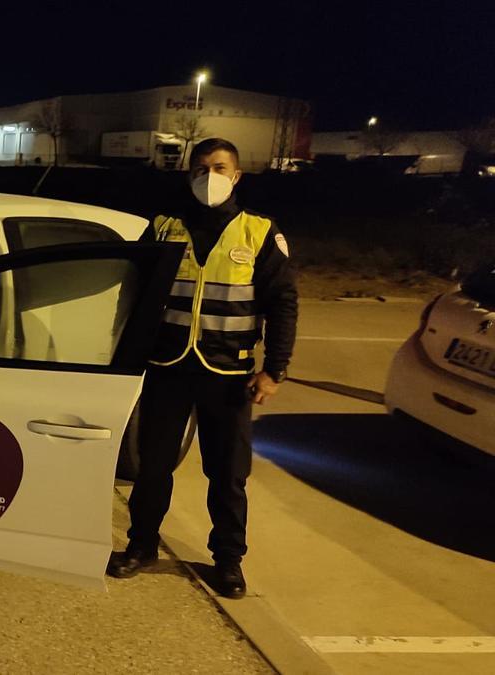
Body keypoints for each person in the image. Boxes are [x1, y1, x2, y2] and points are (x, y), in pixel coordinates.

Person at [107, 138, 298, 598]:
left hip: (229, 374)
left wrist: (274, 370)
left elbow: (283, 304)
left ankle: (228, 561)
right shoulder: (164, 228)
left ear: (236, 176)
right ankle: (141, 546)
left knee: (227, 474)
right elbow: (131, 293)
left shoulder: (260, 232)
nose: (208, 176)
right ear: (188, 175)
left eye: (219, 167)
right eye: (200, 168)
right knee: (153, 467)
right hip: (168, 367)